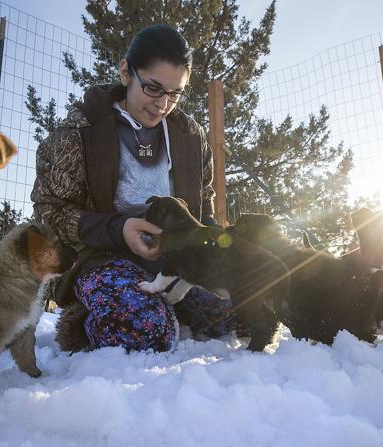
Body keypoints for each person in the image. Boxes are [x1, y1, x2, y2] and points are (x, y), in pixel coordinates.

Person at [31, 24, 248, 352]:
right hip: (100, 260)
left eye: (175, 94)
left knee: (245, 314)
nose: (163, 104)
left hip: (175, 266)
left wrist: (220, 258)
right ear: (125, 73)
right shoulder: (79, 132)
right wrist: (120, 229)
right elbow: (51, 214)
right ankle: (86, 321)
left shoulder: (190, 137)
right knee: (145, 332)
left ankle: (162, 308)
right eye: (153, 88)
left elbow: (202, 207)